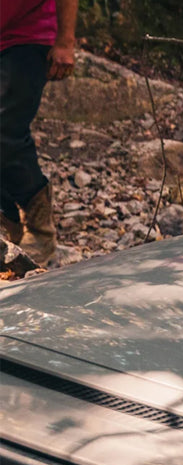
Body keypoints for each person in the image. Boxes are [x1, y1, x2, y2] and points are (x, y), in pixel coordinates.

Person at [1, 0, 77, 270]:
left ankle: (40, 231)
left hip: (27, 36)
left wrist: (66, 41)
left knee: (5, 129)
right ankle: (8, 223)